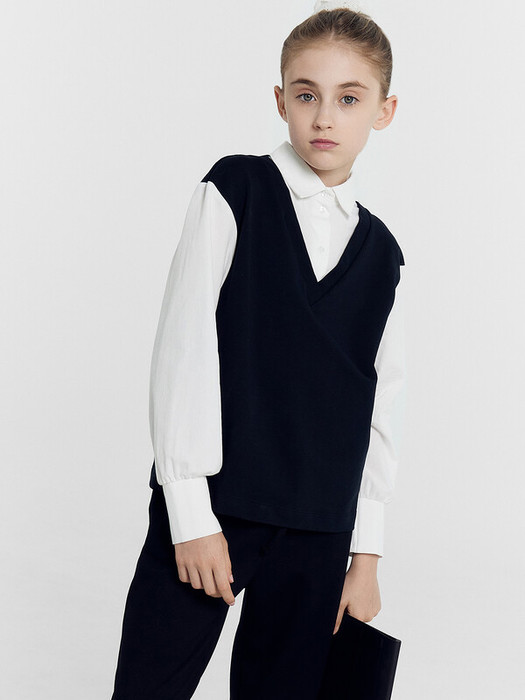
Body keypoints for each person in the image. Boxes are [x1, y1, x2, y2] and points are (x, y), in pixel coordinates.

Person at [110, 4, 406, 699]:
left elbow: (378, 407)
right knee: (149, 685)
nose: (324, 117)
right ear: (280, 101)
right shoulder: (235, 190)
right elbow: (183, 348)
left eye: (348, 99)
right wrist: (189, 514)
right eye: (306, 95)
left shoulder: (384, 254)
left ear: (384, 111)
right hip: (219, 504)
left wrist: (364, 554)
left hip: (320, 527)